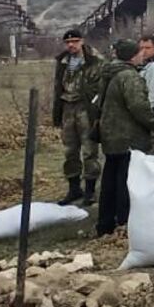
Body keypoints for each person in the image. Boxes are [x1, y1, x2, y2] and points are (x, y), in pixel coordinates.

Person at [94, 40, 154, 236]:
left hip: (110, 136)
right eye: (139, 51)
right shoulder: (130, 76)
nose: (142, 54)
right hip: (129, 137)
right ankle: (125, 223)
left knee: (110, 181)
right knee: (127, 182)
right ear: (134, 55)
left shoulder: (109, 73)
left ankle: (105, 224)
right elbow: (139, 107)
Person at [51, 29, 105, 206]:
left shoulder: (95, 60)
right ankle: (74, 189)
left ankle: (90, 190)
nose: (71, 45)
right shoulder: (63, 61)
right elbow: (59, 87)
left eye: (74, 41)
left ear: (82, 41)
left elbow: (101, 87)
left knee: (90, 150)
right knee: (69, 150)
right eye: (68, 42)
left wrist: (97, 109)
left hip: (86, 108)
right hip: (67, 107)